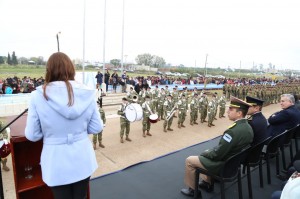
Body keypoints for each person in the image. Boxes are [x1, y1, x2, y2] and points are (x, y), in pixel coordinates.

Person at [25, 52, 103, 199]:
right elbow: (96, 127)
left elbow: (32, 135)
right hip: (83, 158)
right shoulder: (87, 93)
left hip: (55, 161)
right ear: (71, 69)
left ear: (49, 70)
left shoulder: (38, 96)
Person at [181, 97, 253, 197]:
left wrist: (205, 153)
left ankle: (193, 190)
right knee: (209, 154)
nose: (227, 111)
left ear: (239, 113)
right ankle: (207, 183)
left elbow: (217, 154)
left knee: (190, 160)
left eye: (231, 109)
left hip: (223, 165)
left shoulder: (233, 131)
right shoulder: (248, 127)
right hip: (232, 164)